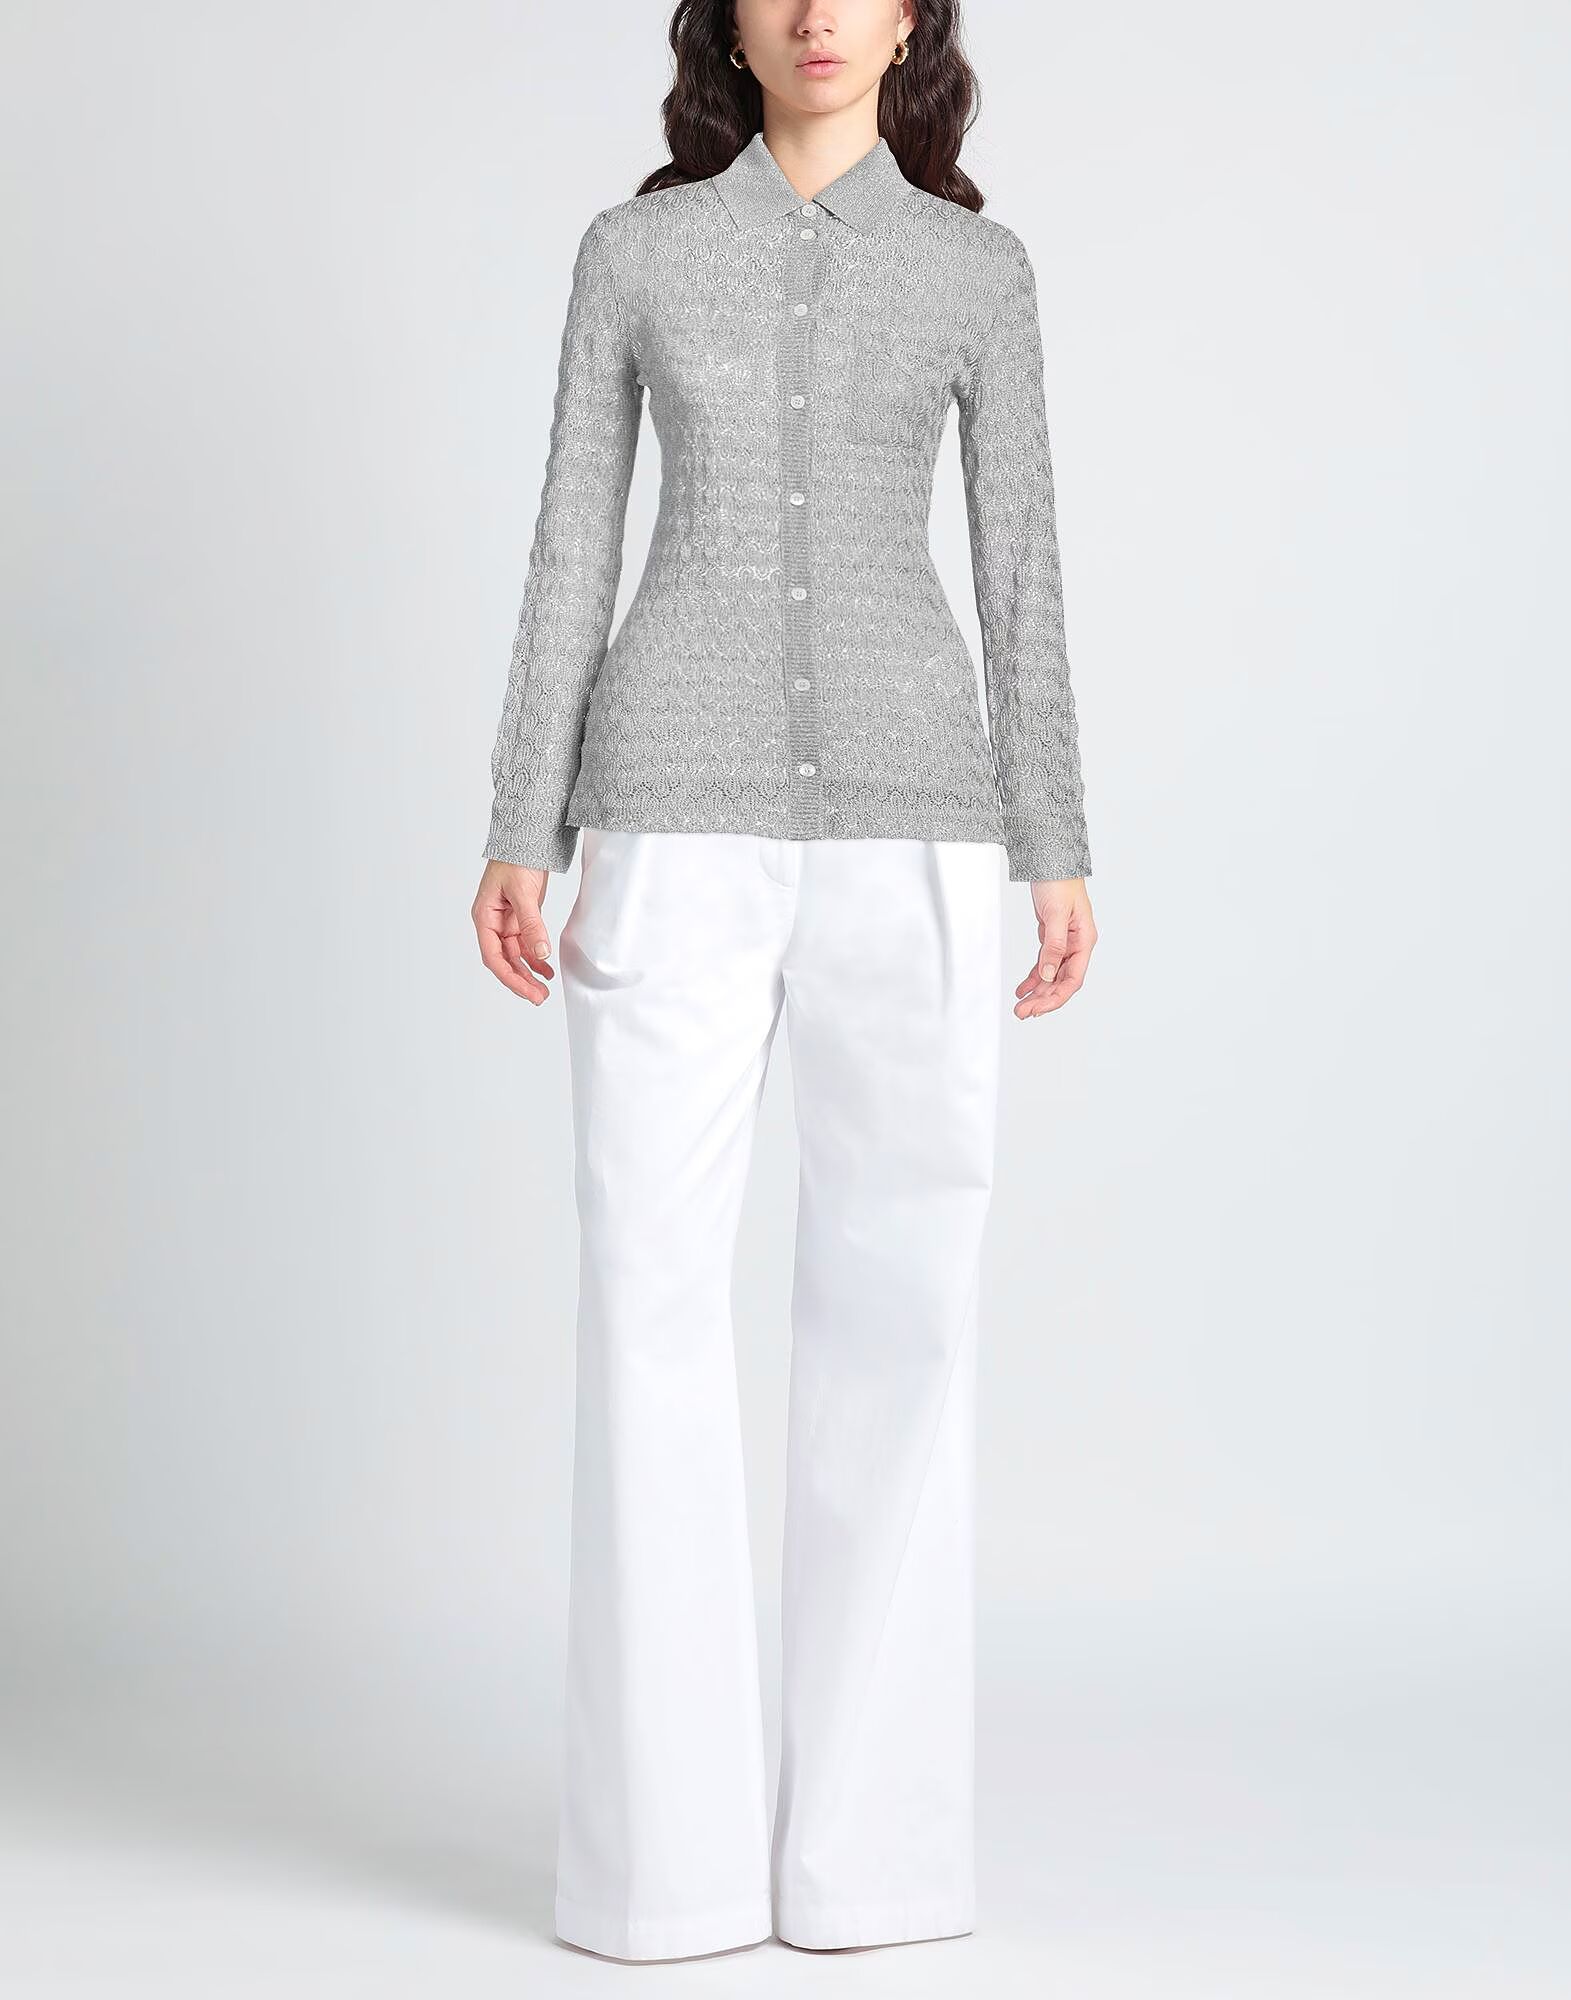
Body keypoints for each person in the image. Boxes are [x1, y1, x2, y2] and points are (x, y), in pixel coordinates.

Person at [470, 0, 1098, 1965]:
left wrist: (1055, 836)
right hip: (669, 819)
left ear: (913, 20)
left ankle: (871, 1868)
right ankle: (658, 1877)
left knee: (908, 1315)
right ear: (723, 21)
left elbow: (1022, 565)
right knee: (649, 1304)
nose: (819, 10)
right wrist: (523, 814)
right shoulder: (635, 254)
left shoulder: (979, 273)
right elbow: (571, 545)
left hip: (922, 828)